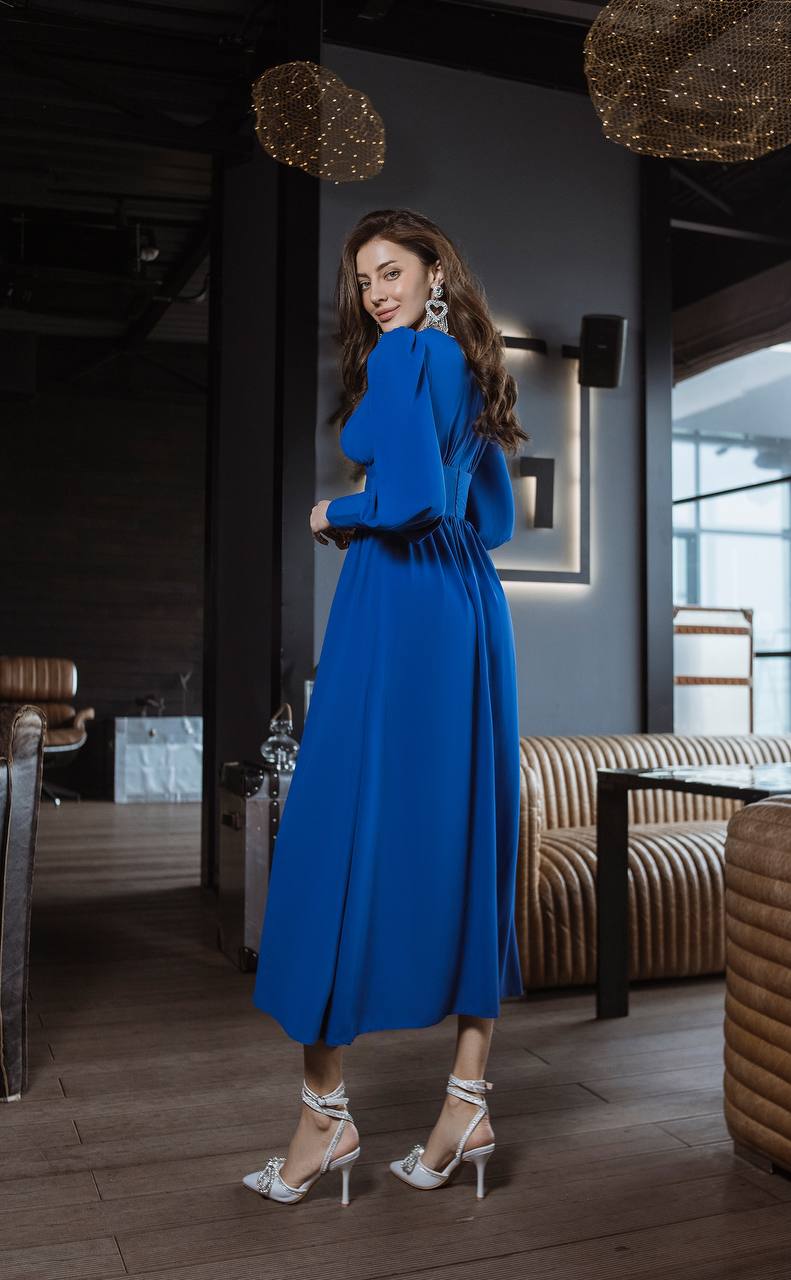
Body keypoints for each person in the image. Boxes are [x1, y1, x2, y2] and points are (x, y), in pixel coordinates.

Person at [243, 208, 531, 1207]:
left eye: (389, 269)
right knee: (464, 837)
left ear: (428, 271)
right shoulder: (470, 363)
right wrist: (410, 501)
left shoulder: (408, 355)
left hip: (396, 603)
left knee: (333, 831)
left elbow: (406, 498)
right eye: (363, 277)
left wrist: (338, 512)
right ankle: (465, 1099)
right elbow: (490, 518)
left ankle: (323, 1112)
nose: (374, 290)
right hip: (464, 612)